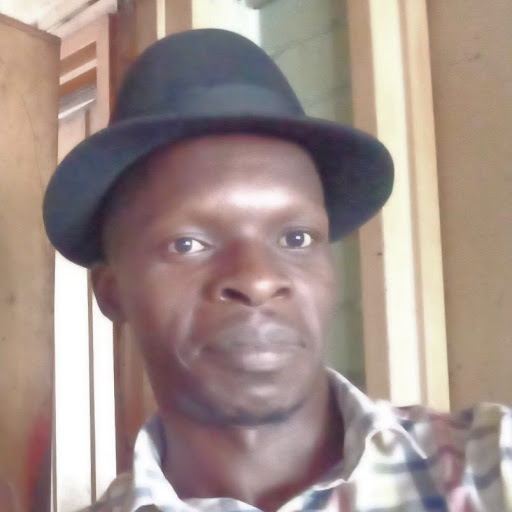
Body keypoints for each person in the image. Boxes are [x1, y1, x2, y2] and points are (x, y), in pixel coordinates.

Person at [43, 29, 512, 512]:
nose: (258, 280)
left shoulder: (489, 465)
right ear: (112, 293)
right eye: (187, 244)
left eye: (296, 239)